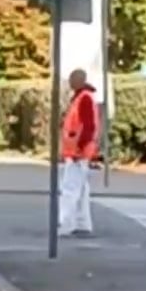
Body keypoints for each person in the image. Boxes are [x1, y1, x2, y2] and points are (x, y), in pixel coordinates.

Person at [59, 68, 99, 237]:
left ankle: (66, 223)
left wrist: (79, 149)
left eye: (72, 79)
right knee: (81, 188)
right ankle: (83, 224)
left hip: (78, 152)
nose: (70, 82)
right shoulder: (82, 97)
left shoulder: (84, 99)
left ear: (80, 81)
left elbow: (87, 127)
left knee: (70, 188)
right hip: (80, 151)